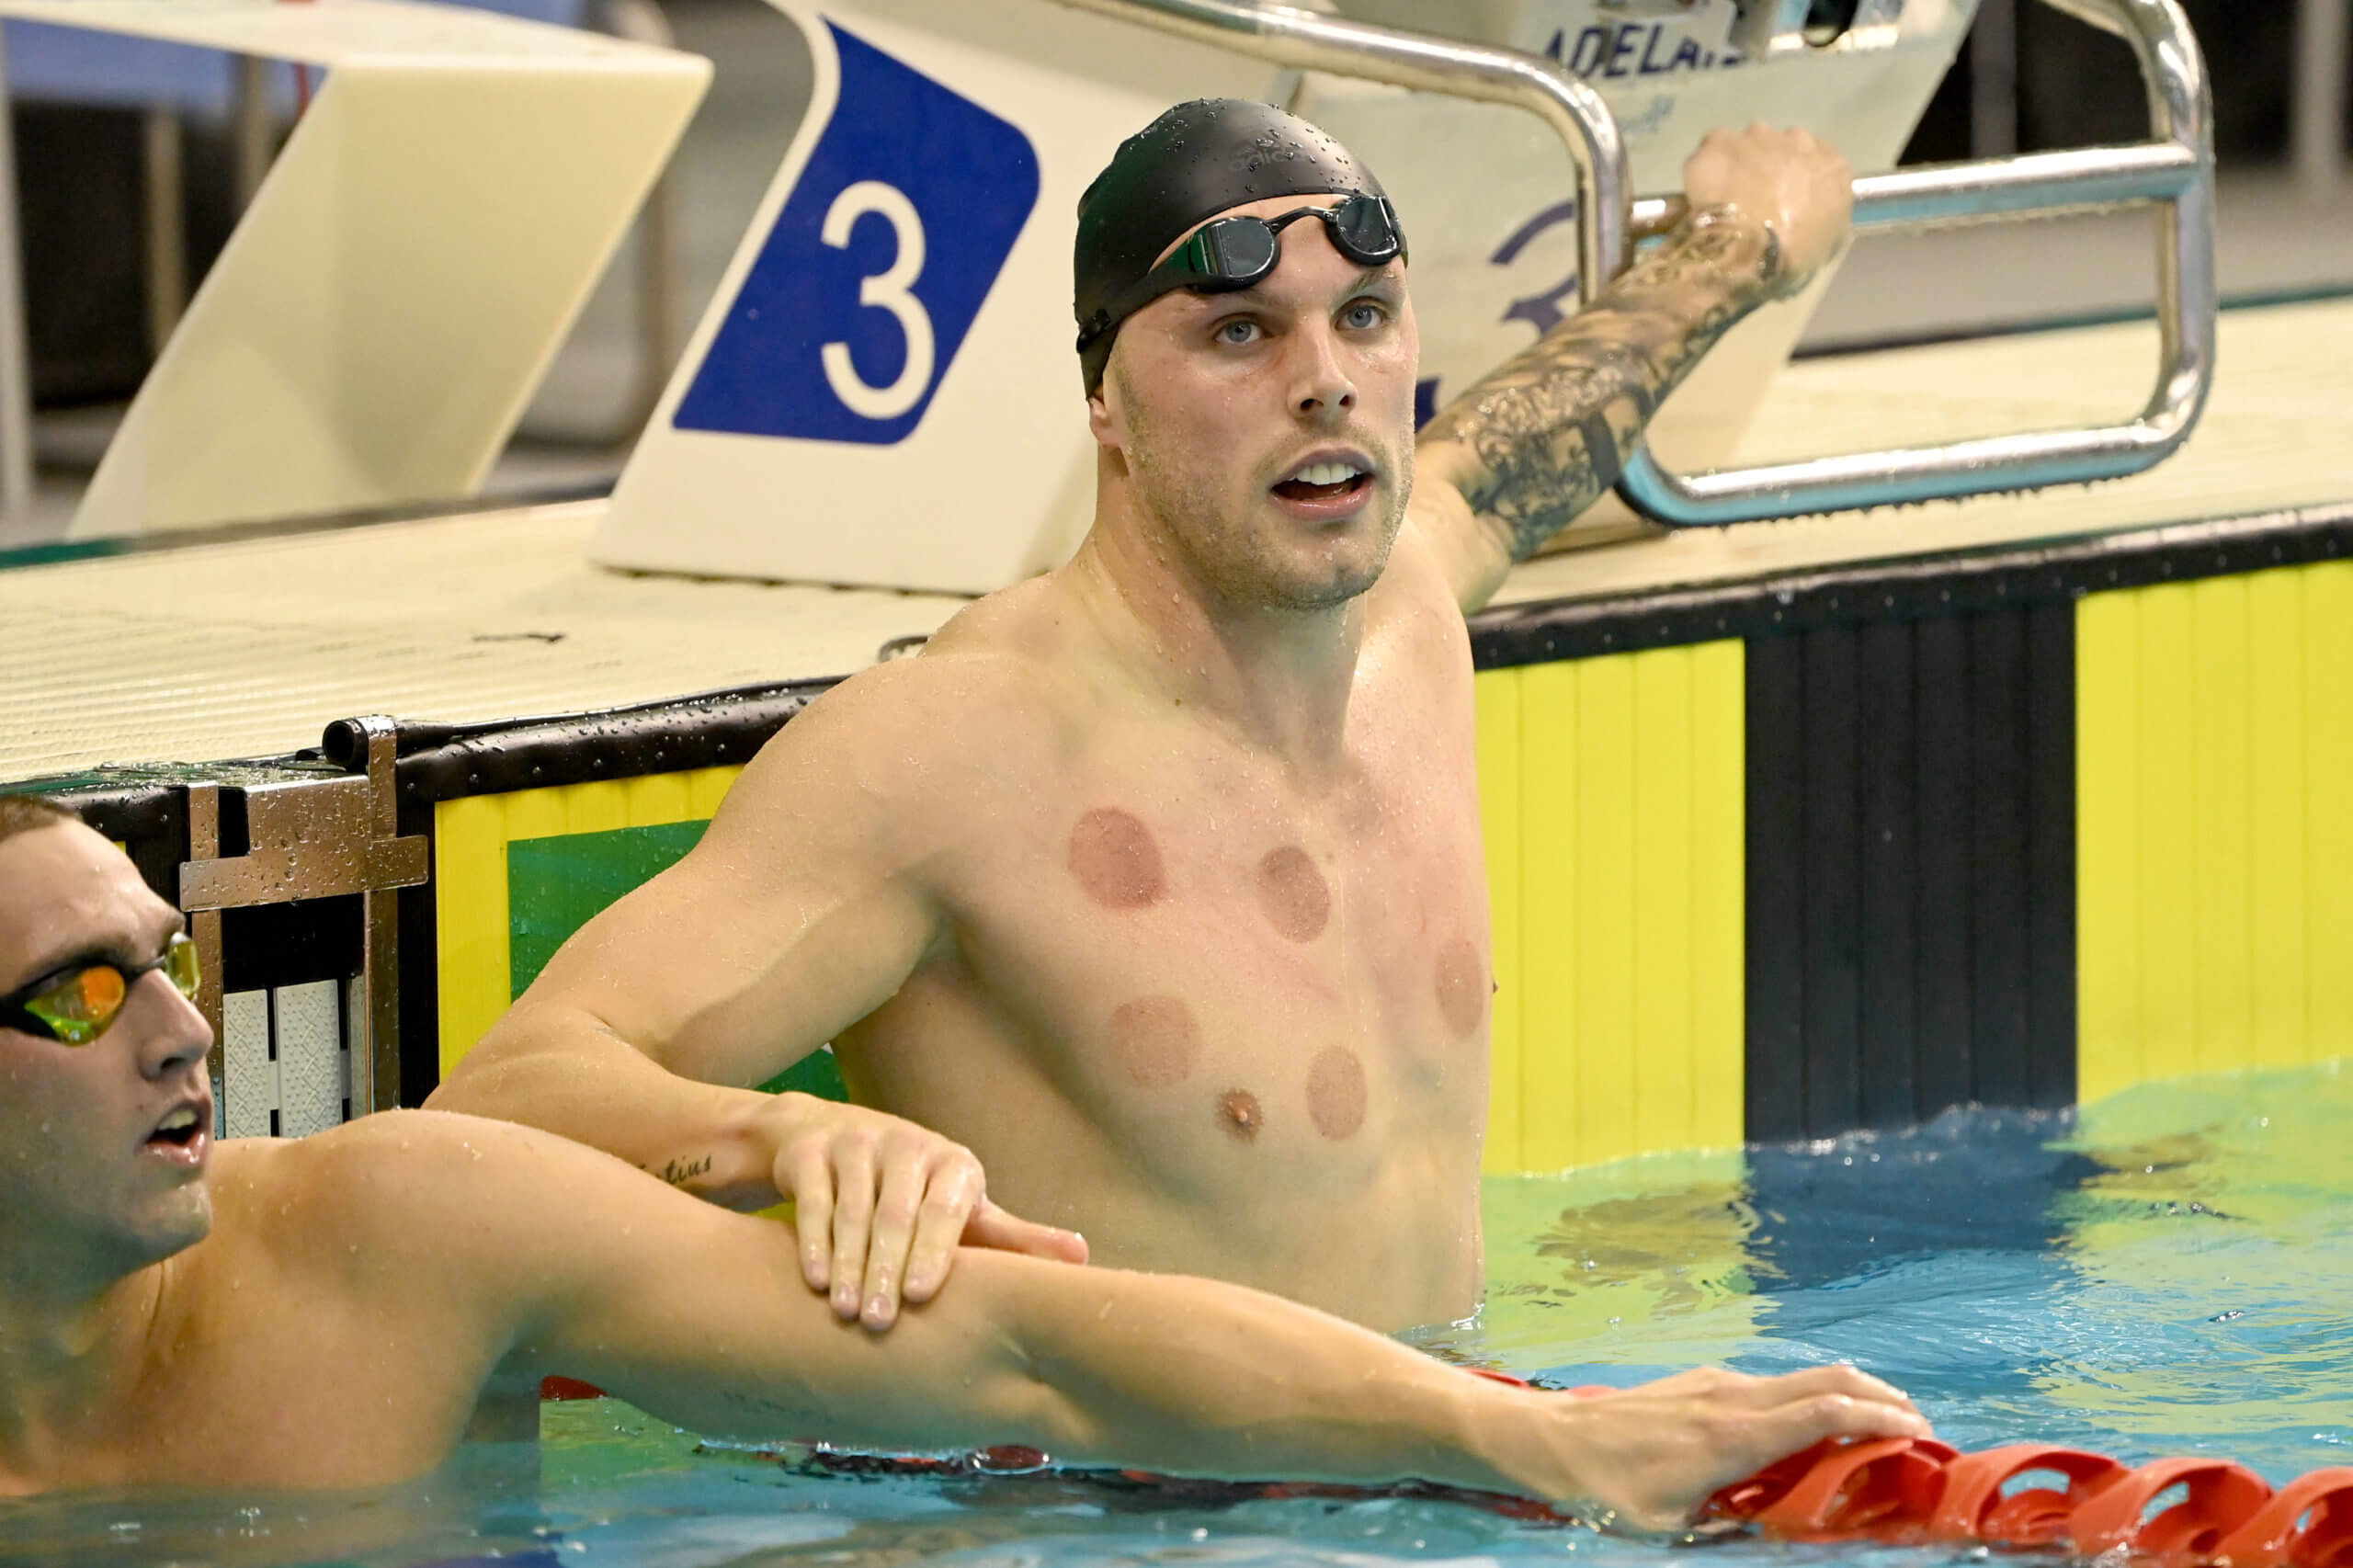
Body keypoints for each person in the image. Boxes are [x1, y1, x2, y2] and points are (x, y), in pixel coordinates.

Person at [430, 101, 1855, 1333]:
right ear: (1106, 401)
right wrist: (778, 1132)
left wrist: (1744, 246)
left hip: (1449, 1455)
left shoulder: (1408, 610)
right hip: (1113, 1514)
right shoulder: (963, 750)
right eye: (1240, 332)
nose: (1325, 378)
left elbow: (1528, 440)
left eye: (1363, 317)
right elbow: (497, 1104)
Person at [0, 795, 1927, 1508]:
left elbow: (1035, 1354)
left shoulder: (392, 1236)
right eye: (80, 997)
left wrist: (1537, 1434)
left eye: (168, 961)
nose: (184, 1031)